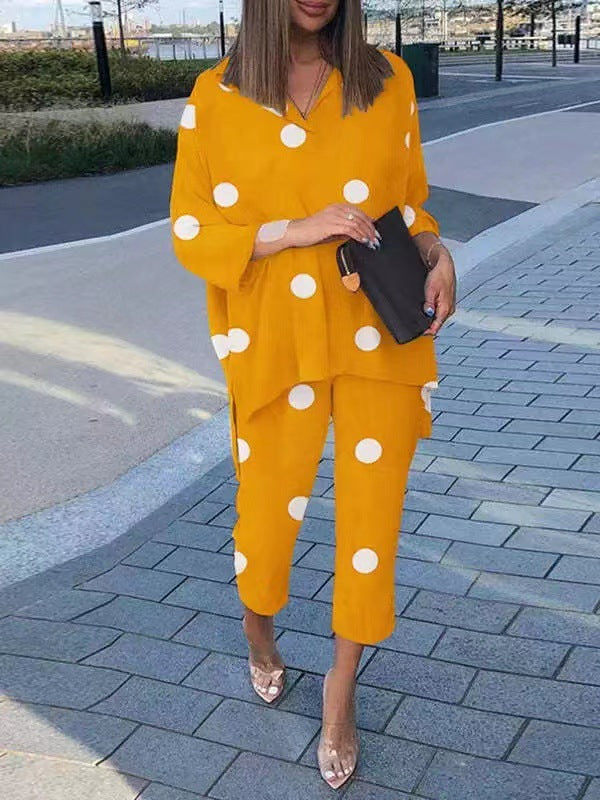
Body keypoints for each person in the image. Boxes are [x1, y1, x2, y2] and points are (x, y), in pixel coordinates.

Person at [170, 0, 456, 789]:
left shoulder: (386, 80)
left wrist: (436, 252)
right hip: (273, 341)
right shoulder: (217, 96)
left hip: (378, 331)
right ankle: (258, 630)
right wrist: (293, 230)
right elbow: (190, 229)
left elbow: (410, 202)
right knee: (266, 510)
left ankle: (340, 688)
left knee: (372, 517)